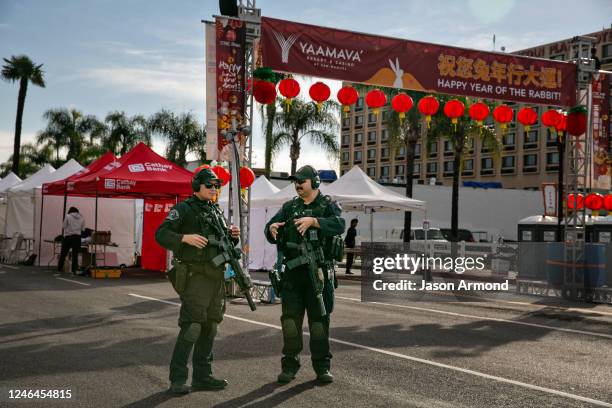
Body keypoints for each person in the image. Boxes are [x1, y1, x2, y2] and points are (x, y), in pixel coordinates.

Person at [155, 167, 240, 395]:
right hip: (195, 278)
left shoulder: (216, 211)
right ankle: (178, 378)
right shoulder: (183, 209)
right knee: (192, 327)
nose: (213, 189)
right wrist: (184, 238)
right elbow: (161, 234)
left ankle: (203, 376)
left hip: (216, 279)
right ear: (197, 186)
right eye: (209, 185)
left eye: (216, 186)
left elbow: (224, 245)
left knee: (210, 328)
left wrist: (233, 236)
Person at [265, 165, 345, 384]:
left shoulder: (328, 205)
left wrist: (315, 222)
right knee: (290, 323)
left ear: (315, 183)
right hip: (293, 275)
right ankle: (289, 366)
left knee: (319, 323)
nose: (298, 185)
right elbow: (270, 228)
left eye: (302, 181)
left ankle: (322, 367)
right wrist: (272, 229)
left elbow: (340, 224)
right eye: (295, 181)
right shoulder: (290, 207)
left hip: (318, 274)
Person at [58, 207, 85, 275]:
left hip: (68, 237)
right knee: (75, 255)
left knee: (63, 253)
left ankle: (59, 268)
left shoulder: (68, 216)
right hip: (77, 237)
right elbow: (83, 229)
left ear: (70, 211)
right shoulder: (82, 217)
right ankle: (74, 270)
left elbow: (63, 226)